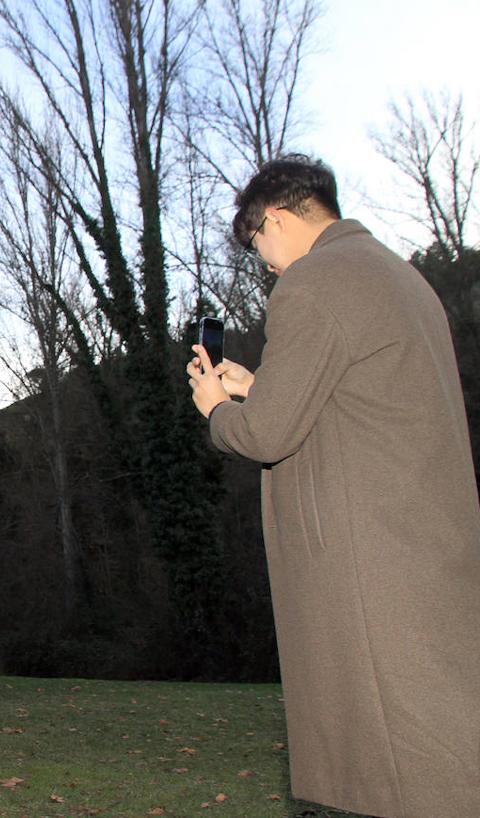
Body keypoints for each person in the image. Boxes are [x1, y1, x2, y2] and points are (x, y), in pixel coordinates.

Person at [186, 154, 480, 817]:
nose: (265, 266)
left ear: (279, 218)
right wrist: (260, 387)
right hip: (421, 547)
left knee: (381, 774)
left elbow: (265, 436)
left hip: (367, 566)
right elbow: (360, 404)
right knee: (441, 752)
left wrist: (216, 406)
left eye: (259, 245)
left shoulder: (314, 282)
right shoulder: (400, 278)